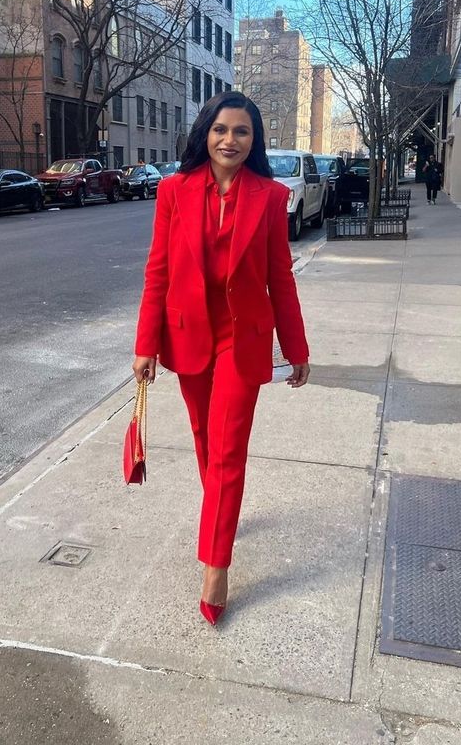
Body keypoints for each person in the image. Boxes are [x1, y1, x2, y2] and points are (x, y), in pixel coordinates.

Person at [132, 91, 310, 627]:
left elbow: (280, 278)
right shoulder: (173, 192)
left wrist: (296, 349)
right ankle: (223, 517)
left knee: (228, 450)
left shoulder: (271, 197)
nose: (230, 140)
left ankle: (215, 566)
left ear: (255, 141)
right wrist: (146, 343)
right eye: (220, 130)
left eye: (242, 132)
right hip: (188, 336)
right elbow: (157, 270)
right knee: (205, 442)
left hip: (242, 338)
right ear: (204, 134)